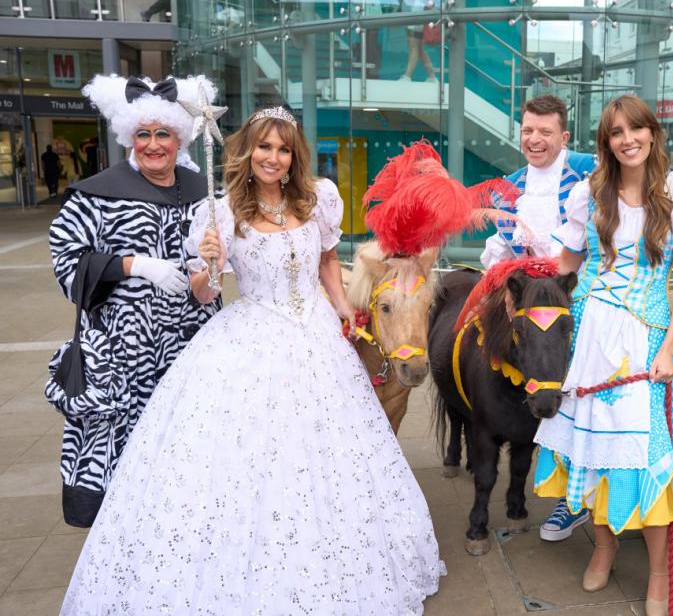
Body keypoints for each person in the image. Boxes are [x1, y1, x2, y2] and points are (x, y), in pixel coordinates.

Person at [60, 106, 445, 614]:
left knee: (331, 460)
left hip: (320, 343)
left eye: (283, 149)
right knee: (253, 461)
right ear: (248, 150)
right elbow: (202, 293)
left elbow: (328, 261)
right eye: (264, 146)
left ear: (293, 157)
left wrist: (345, 308)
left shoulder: (317, 199)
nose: (273, 157)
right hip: (250, 342)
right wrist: (210, 263)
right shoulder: (220, 214)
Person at [532, 95, 673, 615]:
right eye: (615, 132)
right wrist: (520, 278)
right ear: (606, 142)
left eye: (635, 129)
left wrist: (670, 347)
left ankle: (657, 573)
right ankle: (604, 549)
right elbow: (565, 262)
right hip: (589, 337)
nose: (627, 139)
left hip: (645, 342)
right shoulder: (591, 194)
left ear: (653, 133)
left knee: (647, 457)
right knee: (590, 451)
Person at [47, 74, 220, 528]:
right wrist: (134, 265)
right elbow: (68, 262)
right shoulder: (95, 195)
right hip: (123, 354)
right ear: (129, 138)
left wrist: (210, 268)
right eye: (143, 134)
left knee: (187, 445)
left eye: (162, 133)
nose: (153, 144)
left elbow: (218, 260)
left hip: (190, 347)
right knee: (125, 452)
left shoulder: (202, 191)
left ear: (178, 136)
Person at [481, 94, 597, 542]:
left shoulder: (591, 169)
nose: (535, 139)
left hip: (584, 301)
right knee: (548, 404)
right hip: (530, 310)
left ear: (563, 135)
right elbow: (502, 246)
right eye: (528, 130)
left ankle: (610, 495)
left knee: (590, 401)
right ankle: (568, 498)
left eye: (545, 131)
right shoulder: (508, 185)